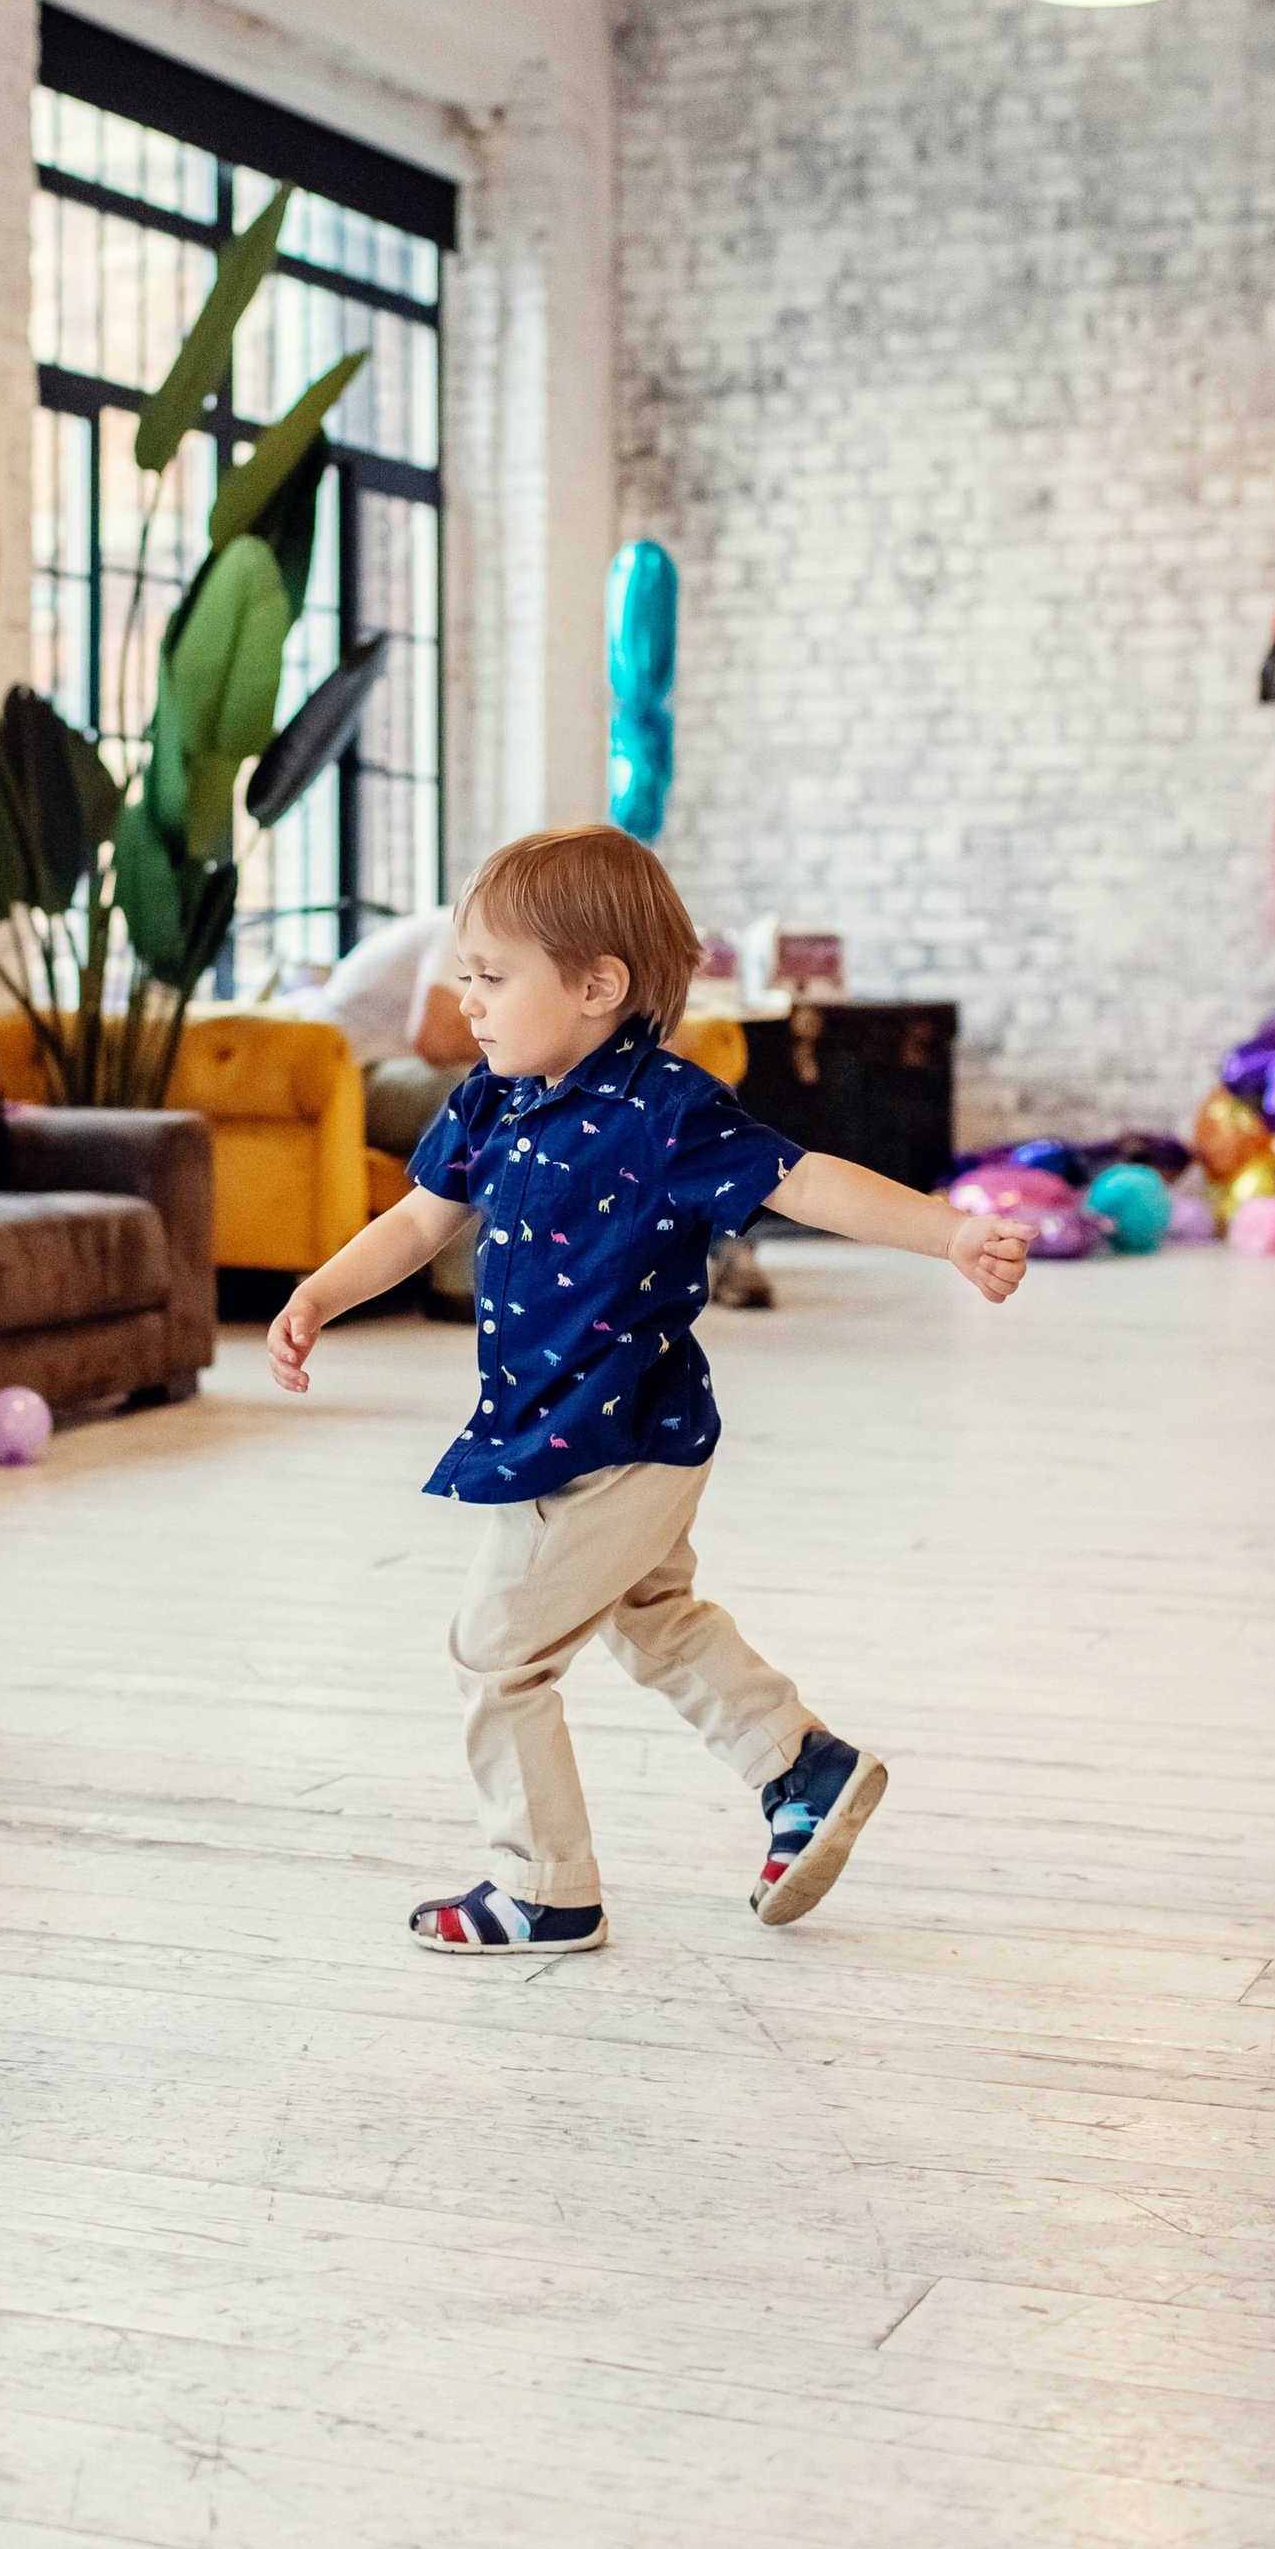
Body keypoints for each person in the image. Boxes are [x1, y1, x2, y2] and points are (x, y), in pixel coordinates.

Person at [266, 825, 1031, 1956]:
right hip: (596, 1430)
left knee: (496, 1655)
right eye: (466, 974)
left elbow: (805, 1182)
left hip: (607, 1438)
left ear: (596, 986)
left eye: (491, 977)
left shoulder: (665, 1111)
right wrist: (321, 1294)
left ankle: (542, 1886)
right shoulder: (490, 1100)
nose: (466, 1001)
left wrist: (949, 1231)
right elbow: (420, 1220)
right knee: (652, 1618)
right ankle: (801, 1767)